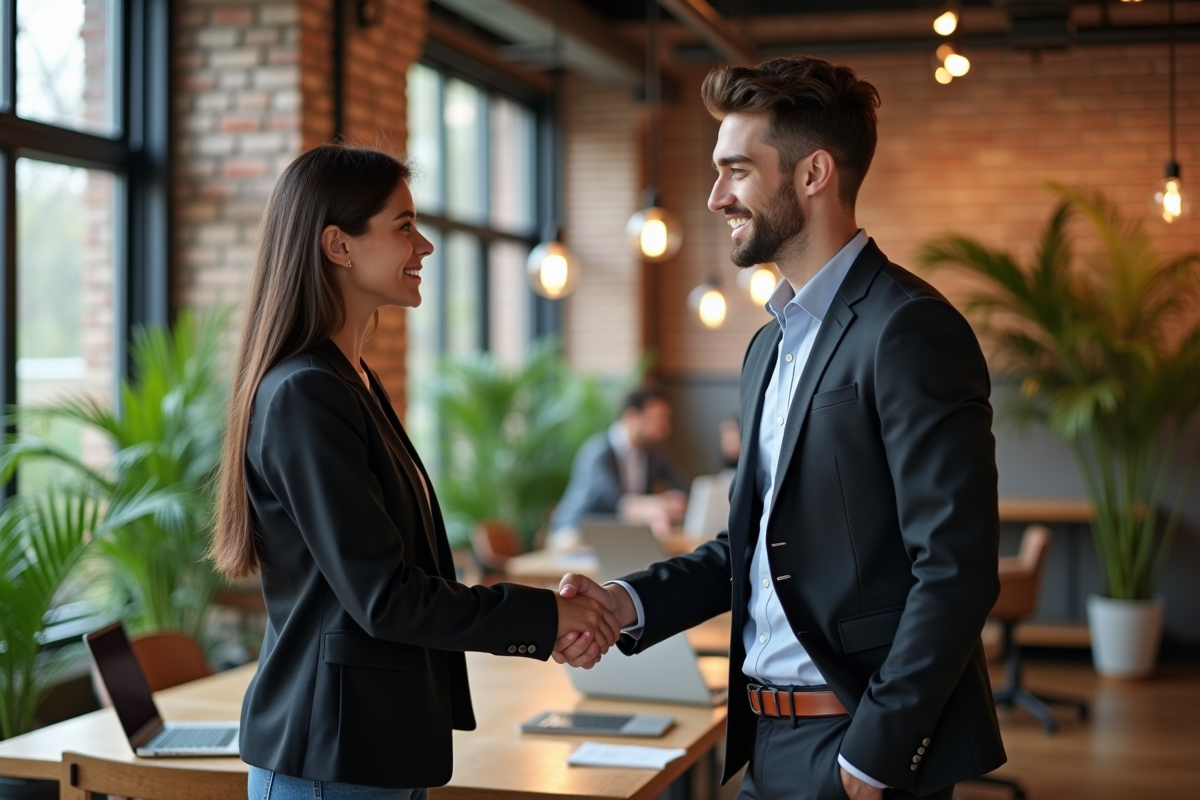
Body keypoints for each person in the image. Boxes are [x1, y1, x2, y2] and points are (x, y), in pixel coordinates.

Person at [553, 57, 1005, 800]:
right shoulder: (769, 345)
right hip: (767, 742)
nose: (714, 196)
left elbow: (956, 569)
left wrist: (876, 753)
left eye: (736, 170)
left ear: (813, 173)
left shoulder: (910, 329)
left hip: (857, 747)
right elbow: (753, 544)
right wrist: (623, 603)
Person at [209, 144, 619, 800]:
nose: (424, 246)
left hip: (375, 747)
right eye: (403, 227)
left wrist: (550, 620)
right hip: (332, 755)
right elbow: (386, 596)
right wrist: (547, 619)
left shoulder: (353, 381)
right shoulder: (305, 394)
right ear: (338, 246)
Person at [549, 385, 688, 540]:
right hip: (576, 533)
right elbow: (618, 503)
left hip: (618, 536)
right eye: (657, 419)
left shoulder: (654, 453)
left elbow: (681, 487)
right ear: (632, 416)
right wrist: (656, 506)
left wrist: (673, 503)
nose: (665, 428)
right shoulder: (598, 453)